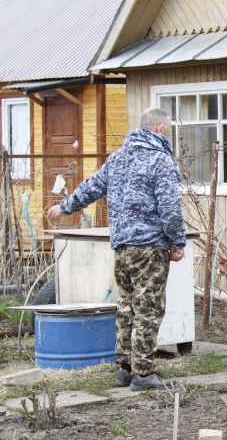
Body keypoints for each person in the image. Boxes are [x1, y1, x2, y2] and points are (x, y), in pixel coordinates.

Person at [45, 108, 186, 391]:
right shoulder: (161, 160)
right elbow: (170, 208)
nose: (169, 134)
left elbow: (91, 188)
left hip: (121, 246)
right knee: (148, 308)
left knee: (126, 306)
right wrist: (177, 241)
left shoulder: (117, 158)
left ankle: (124, 368)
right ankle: (143, 374)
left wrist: (64, 206)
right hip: (149, 247)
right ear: (160, 128)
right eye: (169, 129)